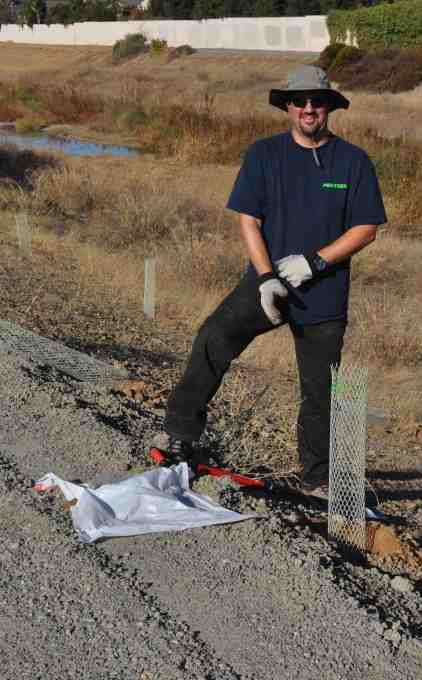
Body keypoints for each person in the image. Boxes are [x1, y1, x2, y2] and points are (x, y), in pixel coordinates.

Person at [162, 65, 387, 495]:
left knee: (320, 391)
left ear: (329, 108)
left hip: (323, 294)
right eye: (299, 101)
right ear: (287, 106)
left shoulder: (354, 162)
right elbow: (250, 219)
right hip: (269, 285)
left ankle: (318, 480)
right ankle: (181, 439)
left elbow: (366, 229)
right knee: (211, 340)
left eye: (317, 101)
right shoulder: (263, 155)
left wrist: (315, 263)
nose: (308, 108)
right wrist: (267, 277)